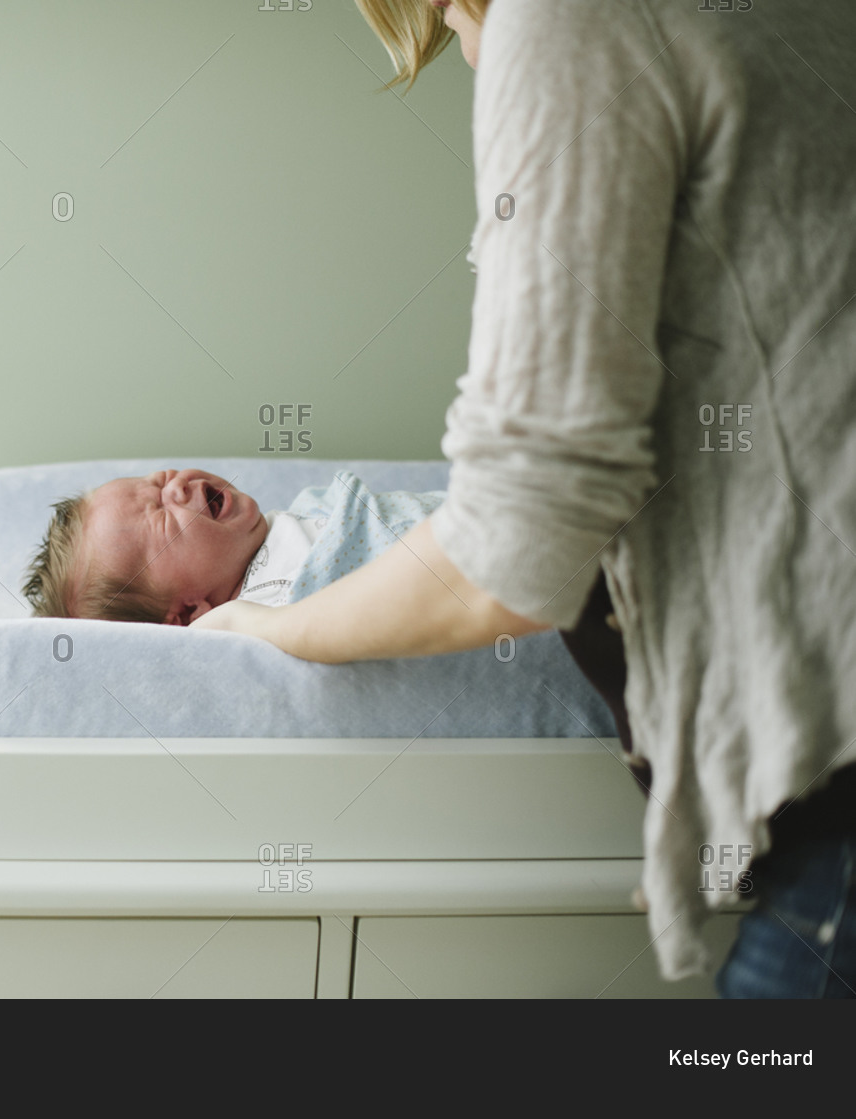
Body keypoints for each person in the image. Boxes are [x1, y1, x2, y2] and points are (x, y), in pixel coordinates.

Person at [192, 0, 856, 996]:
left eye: (459, 21)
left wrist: (271, 630)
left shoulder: (568, 21)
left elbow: (517, 549)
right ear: (172, 613)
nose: (470, 47)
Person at [20, 467, 444, 624]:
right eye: (163, 517)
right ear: (189, 610)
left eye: (158, 480)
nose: (177, 486)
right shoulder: (260, 611)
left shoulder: (294, 518)